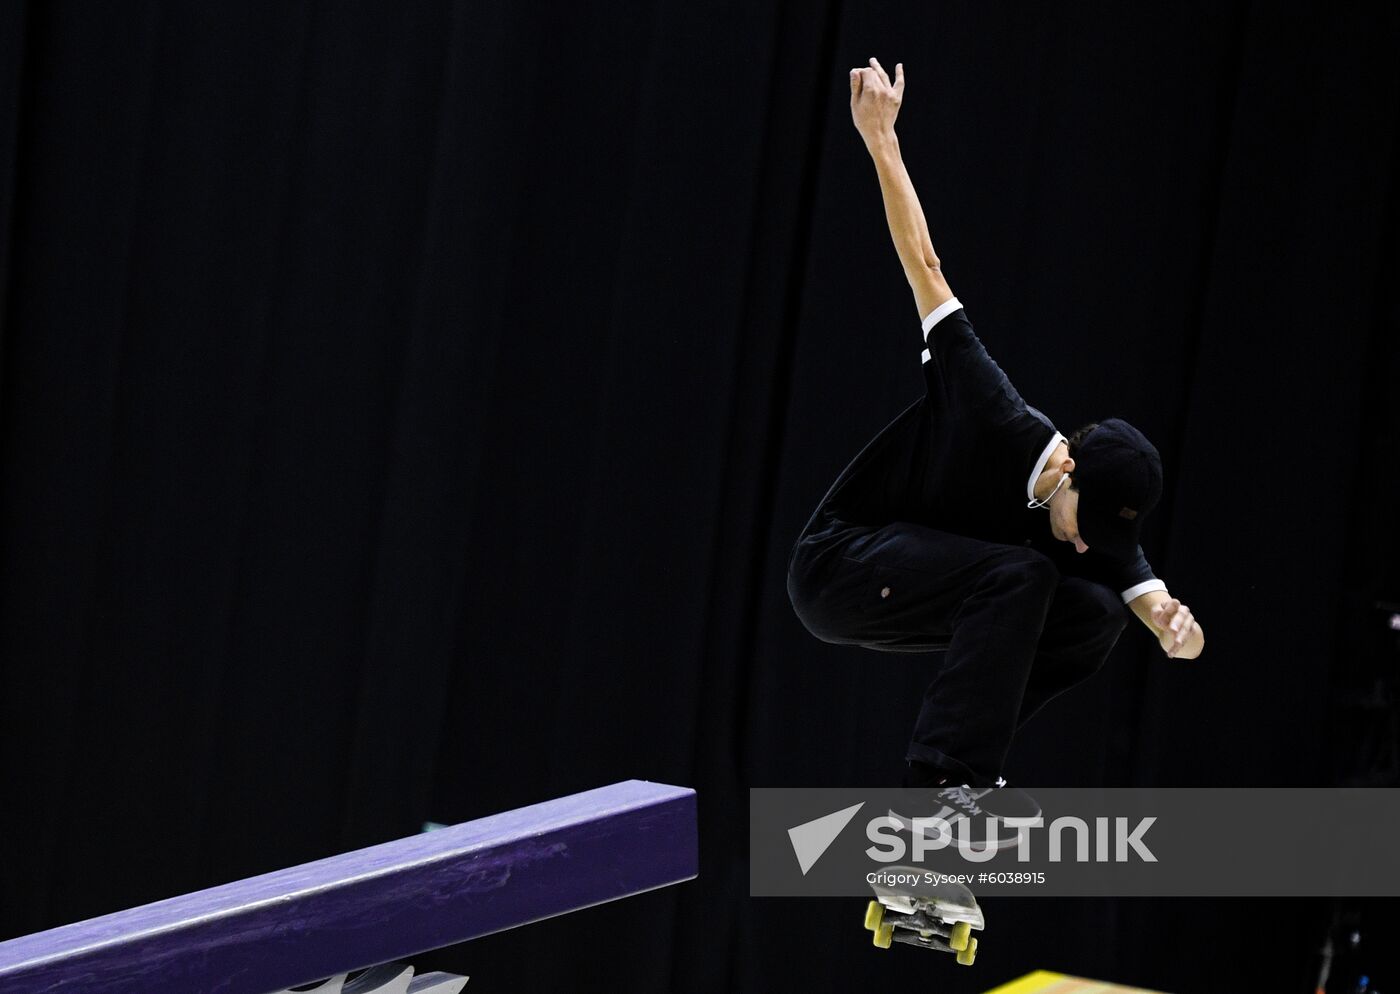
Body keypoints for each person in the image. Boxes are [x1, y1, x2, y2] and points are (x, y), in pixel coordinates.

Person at [787, 59, 1204, 802]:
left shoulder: (1099, 517)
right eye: (1083, 522)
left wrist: (1180, 631)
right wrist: (882, 139)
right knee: (1030, 573)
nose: (1084, 541)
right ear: (1068, 465)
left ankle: (969, 775)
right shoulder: (991, 406)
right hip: (839, 567)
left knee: (1094, 615)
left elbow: (1151, 605)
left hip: (921, 585)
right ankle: (941, 788)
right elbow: (926, 267)